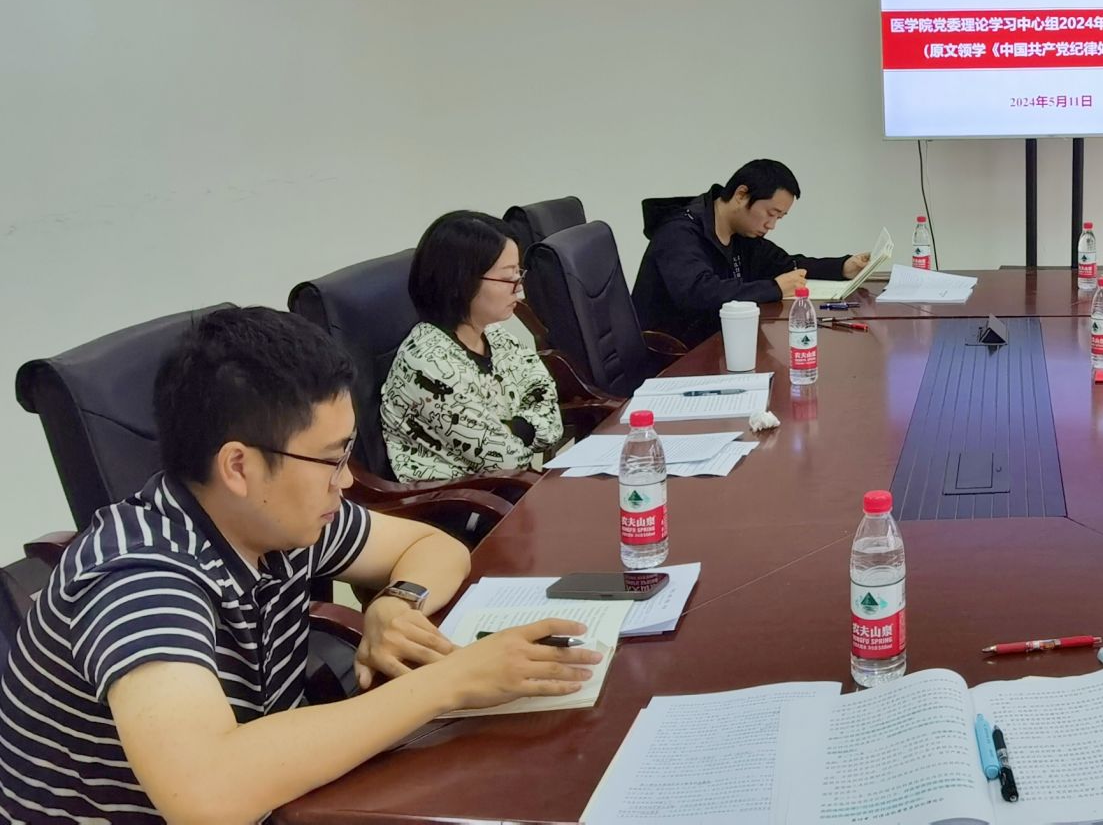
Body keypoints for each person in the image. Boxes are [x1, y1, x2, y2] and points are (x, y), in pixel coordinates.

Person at [0, 307, 602, 824]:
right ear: (239, 467)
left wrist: (397, 603)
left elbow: (432, 547)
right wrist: (450, 683)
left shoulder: (276, 519)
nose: (347, 481)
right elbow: (205, 794)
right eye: (332, 459)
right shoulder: (140, 578)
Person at [382, 210, 564, 482]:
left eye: (519, 274)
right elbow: (507, 460)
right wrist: (524, 428)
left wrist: (518, 429)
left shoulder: (496, 336)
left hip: (505, 488)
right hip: (460, 500)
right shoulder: (428, 365)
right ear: (461, 281)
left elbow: (548, 402)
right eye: (508, 278)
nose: (519, 289)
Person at [633, 159, 870, 347]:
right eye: (770, 213)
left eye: (779, 218)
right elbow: (698, 292)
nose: (771, 225)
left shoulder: (742, 235)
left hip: (720, 343)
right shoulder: (679, 232)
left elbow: (785, 264)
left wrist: (842, 267)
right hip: (672, 355)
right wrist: (774, 288)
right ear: (741, 195)